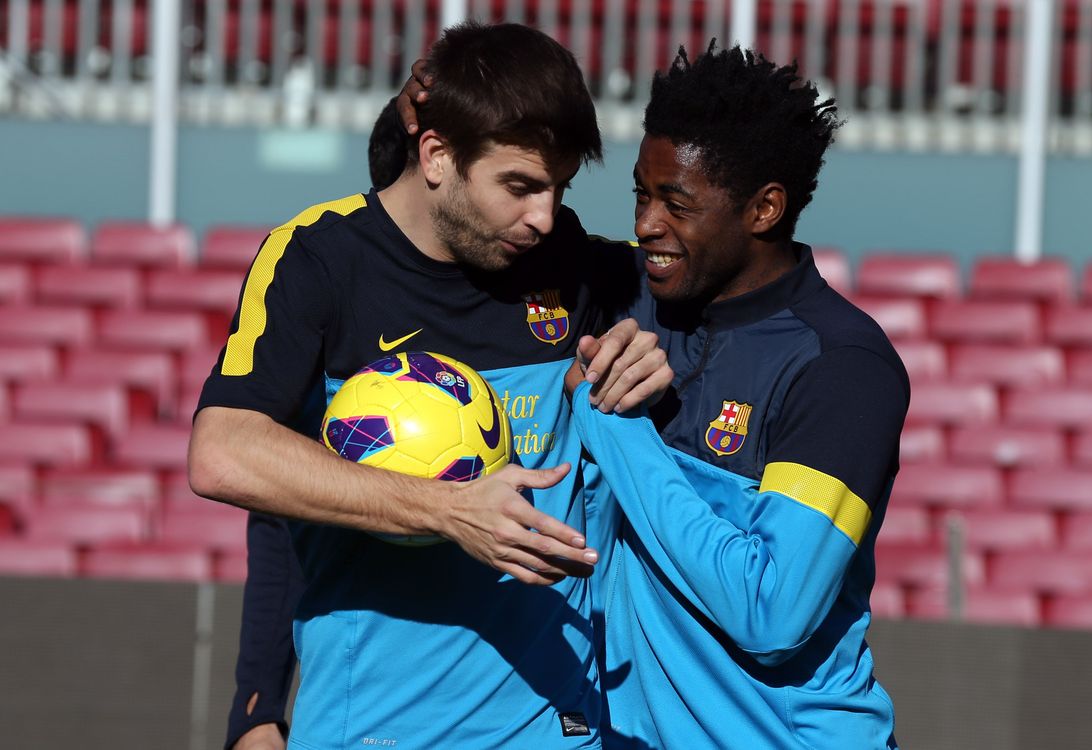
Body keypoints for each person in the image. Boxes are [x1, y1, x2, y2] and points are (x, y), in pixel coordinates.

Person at [191, 22, 670, 749]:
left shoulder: (586, 270)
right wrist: (257, 705)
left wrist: (652, 350)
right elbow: (225, 453)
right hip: (367, 727)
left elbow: (744, 300)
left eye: (559, 188)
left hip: (553, 726)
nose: (545, 216)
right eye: (520, 186)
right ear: (438, 155)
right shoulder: (317, 259)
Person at [564, 43, 908, 747]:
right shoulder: (621, 293)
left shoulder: (843, 367)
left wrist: (615, 422)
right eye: (640, 192)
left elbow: (772, 613)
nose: (644, 224)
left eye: (676, 203)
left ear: (764, 209)